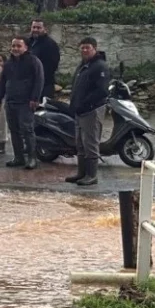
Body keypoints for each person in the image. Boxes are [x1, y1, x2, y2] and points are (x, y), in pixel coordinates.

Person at [65, 37, 110, 187]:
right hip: (80, 111)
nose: (84, 50)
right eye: (82, 48)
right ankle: (81, 173)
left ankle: (92, 175)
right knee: (80, 144)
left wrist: (86, 104)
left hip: (92, 110)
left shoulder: (100, 66)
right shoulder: (83, 66)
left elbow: (102, 91)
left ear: (95, 49)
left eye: (87, 48)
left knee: (90, 143)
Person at [0, 36, 44, 170]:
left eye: (18, 46)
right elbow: (2, 82)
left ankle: (32, 158)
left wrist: (35, 99)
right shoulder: (9, 64)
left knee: (27, 130)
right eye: (13, 46)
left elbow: (39, 81)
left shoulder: (33, 62)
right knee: (14, 131)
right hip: (11, 102)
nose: (15, 49)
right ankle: (18, 157)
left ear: (25, 47)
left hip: (26, 103)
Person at [27, 19, 60, 100]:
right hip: (29, 84)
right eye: (33, 27)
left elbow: (51, 66)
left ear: (45, 29)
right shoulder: (28, 42)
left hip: (45, 85)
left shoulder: (50, 45)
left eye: (38, 28)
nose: (35, 30)